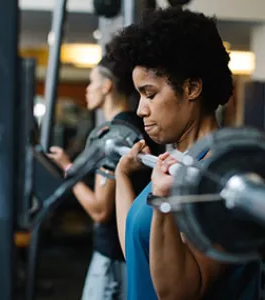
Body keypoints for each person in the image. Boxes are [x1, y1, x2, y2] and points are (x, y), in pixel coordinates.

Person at [107, 7, 260, 300]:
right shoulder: (172, 165)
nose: (140, 109)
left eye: (150, 94)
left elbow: (180, 291)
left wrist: (163, 201)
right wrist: (122, 176)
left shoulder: (218, 178)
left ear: (191, 88)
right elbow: (138, 251)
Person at [48, 55, 158, 300]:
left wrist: (67, 169)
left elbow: (100, 210)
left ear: (107, 87)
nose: (87, 89)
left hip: (114, 256)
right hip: (128, 251)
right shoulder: (130, 127)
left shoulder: (117, 135)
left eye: (91, 82)